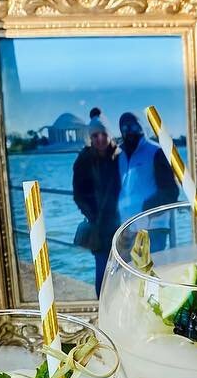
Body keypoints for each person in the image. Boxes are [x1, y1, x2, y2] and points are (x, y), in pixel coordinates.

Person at [116, 111, 180, 251]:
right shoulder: (117, 154)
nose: (130, 131)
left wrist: (147, 208)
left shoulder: (156, 152)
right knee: (127, 271)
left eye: (134, 126)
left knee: (152, 271)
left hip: (154, 228)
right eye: (125, 128)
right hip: (126, 228)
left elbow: (171, 192)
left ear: (142, 127)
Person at [70, 109, 120, 288]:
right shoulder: (83, 160)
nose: (100, 139)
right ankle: (102, 310)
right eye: (95, 135)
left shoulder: (120, 156)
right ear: (90, 138)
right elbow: (78, 193)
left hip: (122, 222)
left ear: (109, 135)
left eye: (103, 134)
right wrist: (93, 215)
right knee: (103, 273)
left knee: (125, 272)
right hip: (99, 226)